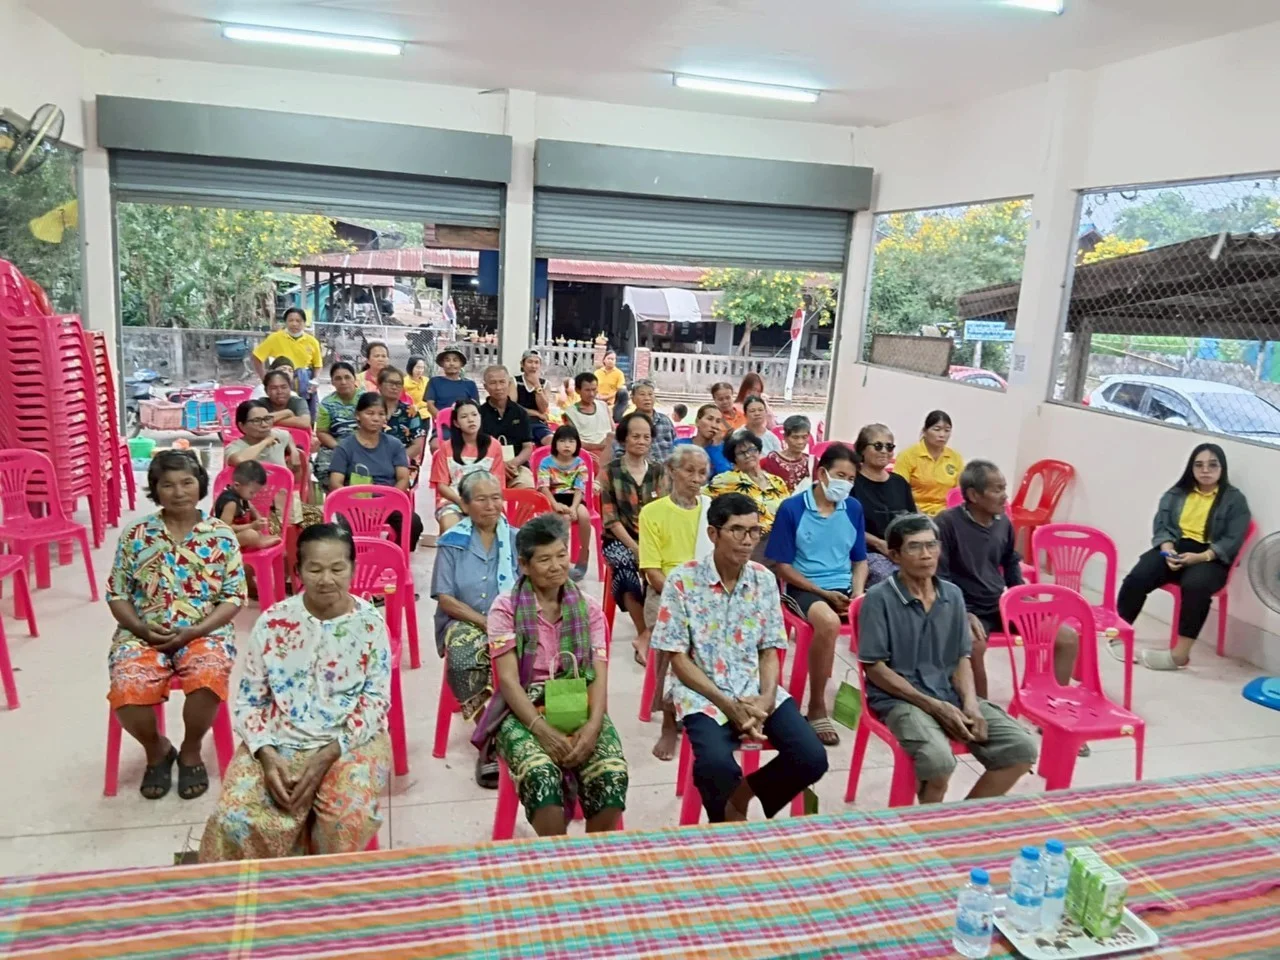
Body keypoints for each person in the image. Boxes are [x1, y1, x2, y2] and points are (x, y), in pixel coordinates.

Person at [199, 523, 392, 859]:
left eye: (337, 568)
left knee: (345, 820)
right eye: (315, 569)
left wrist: (329, 754)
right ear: (298, 571)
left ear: (352, 568)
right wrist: (265, 753)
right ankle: (261, 888)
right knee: (234, 818)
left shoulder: (370, 624)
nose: (326, 579)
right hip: (279, 737)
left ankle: (323, 887)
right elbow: (250, 700)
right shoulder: (273, 622)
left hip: (349, 740)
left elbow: (376, 701)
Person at [651, 492, 829, 823]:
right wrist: (727, 704)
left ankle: (741, 797)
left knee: (812, 757)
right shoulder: (682, 581)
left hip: (753, 687)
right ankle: (726, 829)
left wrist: (765, 699)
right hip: (703, 693)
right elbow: (677, 659)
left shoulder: (763, 579)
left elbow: (769, 649)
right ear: (713, 534)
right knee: (716, 766)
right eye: (737, 530)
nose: (747, 540)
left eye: (754, 531)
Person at [858, 514, 1039, 804]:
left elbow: (960, 658)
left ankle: (960, 819)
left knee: (1022, 748)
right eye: (915, 547)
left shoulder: (952, 595)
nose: (926, 554)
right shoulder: (879, 599)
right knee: (938, 762)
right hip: (900, 699)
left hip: (948, 691)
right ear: (895, 555)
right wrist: (933, 706)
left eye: (932, 545)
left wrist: (971, 704)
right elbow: (875, 669)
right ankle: (930, 823)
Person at [471, 514, 628, 837]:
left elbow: (599, 674)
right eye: (544, 559)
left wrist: (593, 726)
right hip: (523, 708)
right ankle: (557, 858)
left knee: (612, 774)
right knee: (541, 777)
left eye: (561, 555)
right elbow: (509, 681)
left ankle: (594, 855)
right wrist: (541, 730)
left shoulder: (588, 608)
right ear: (524, 565)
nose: (556, 566)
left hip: (579, 698)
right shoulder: (505, 609)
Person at [106, 451, 247, 801]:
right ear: (155, 489)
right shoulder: (137, 534)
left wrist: (196, 631)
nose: (179, 491)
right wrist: (141, 630)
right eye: (167, 485)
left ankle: (191, 748)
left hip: (204, 632)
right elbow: (117, 594)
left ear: (200, 484)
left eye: (187, 482)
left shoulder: (221, 535)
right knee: (127, 688)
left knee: (208, 676)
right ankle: (157, 750)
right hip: (143, 633)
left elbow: (233, 597)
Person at [936, 460, 1079, 709]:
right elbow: (940, 578)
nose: (1005, 496)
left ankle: (1053, 710)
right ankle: (983, 713)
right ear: (973, 495)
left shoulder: (1002, 521)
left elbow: (1010, 561)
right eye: (997, 489)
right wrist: (962, 612)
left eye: (1004, 488)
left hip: (998, 603)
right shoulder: (946, 523)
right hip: (964, 607)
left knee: (1066, 637)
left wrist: (1021, 594)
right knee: (972, 646)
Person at [767, 442, 868, 747]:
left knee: (890, 613)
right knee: (828, 622)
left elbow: (860, 560)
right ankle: (816, 705)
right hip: (804, 586)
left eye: (851, 479)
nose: (845, 484)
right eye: (841, 476)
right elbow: (782, 566)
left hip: (844, 587)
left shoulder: (853, 508)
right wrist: (822, 592)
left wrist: (858, 594)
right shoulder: (793, 508)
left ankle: (882, 699)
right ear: (822, 474)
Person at [1118, 443, 1251, 670]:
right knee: (1139, 576)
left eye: (1212, 465)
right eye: (1199, 465)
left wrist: (1201, 557)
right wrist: (1168, 550)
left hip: (1211, 556)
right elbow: (1162, 526)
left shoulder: (1234, 500)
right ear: (1191, 468)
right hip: (1175, 547)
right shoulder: (1176, 493)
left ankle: (1179, 655)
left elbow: (1233, 539)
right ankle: (1118, 635)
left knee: (1196, 587)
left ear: (1222, 468)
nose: (1205, 470)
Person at [432, 472, 517, 789]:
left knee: (534, 653)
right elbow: (445, 598)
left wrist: (506, 620)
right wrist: (485, 623)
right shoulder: (452, 542)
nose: (491, 505)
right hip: (464, 619)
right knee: (464, 654)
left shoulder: (516, 539)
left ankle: (521, 724)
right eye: (481, 499)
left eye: (496, 498)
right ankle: (489, 738)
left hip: (510, 618)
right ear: (465, 505)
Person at [638, 444, 712, 761]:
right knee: (676, 636)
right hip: (665, 592)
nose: (696, 479)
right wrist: (683, 597)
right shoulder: (652, 512)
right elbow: (652, 572)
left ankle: (709, 704)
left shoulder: (711, 510)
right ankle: (669, 721)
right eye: (689, 471)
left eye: (702, 472)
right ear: (671, 471)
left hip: (706, 592)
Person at [600, 412, 667, 653]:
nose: (641, 441)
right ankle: (643, 635)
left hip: (653, 539)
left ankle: (657, 631)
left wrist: (651, 546)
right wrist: (636, 548)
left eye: (646, 437)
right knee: (625, 570)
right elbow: (611, 520)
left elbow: (665, 512)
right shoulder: (610, 472)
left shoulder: (658, 471)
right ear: (624, 439)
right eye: (635, 436)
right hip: (619, 539)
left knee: (667, 568)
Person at [328, 393, 423, 550]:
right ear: (357, 415)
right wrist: (357, 504)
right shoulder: (345, 447)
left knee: (414, 524)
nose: (376, 419)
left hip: (387, 503)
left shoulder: (395, 445)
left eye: (381, 414)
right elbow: (335, 482)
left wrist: (385, 504)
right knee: (349, 538)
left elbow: (403, 479)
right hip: (354, 505)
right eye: (370, 413)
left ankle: (395, 557)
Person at [852, 423, 917, 586]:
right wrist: (879, 544)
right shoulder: (852, 482)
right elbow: (846, 526)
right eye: (878, 446)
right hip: (866, 552)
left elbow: (912, 521)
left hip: (900, 550)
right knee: (895, 581)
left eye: (889, 447)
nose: (884, 451)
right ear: (862, 450)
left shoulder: (899, 483)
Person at [707, 430, 791, 556]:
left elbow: (788, 512)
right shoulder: (725, 480)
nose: (747, 455)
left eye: (751, 450)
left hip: (780, 540)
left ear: (758, 451)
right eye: (741, 453)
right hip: (750, 541)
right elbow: (700, 496)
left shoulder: (777, 481)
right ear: (734, 459)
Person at [429, 397, 505, 534]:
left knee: (496, 529)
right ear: (456, 423)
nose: (471, 420)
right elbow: (441, 485)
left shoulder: (494, 446)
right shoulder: (446, 448)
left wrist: (483, 503)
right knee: (450, 526)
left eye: (474, 415)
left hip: (486, 501)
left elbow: (498, 483)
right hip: (454, 501)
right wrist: (461, 502)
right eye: (464, 417)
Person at [226, 399, 305, 527]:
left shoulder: (278, 435)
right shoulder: (235, 447)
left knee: (316, 521)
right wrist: (265, 442)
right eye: (256, 421)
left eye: (267, 419)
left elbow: (287, 435)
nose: (264, 425)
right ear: (242, 426)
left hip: (282, 501)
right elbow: (240, 461)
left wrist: (293, 450)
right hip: (254, 507)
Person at [536, 423, 592, 580]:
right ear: (555, 443)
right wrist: (555, 505)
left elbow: (579, 489)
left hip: (574, 498)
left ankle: (584, 553)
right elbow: (543, 487)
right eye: (562, 441)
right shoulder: (546, 462)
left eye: (571, 441)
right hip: (552, 498)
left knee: (584, 515)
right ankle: (562, 558)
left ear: (577, 444)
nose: (567, 445)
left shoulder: (580, 463)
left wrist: (574, 507)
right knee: (564, 519)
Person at [894, 410, 963, 516]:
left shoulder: (955, 457)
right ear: (925, 431)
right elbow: (899, 492)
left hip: (946, 515)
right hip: (915, 513)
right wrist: (920, 516)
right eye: (937, 429)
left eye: (947, 430)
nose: (942, 435)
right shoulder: (908, 455)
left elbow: (960, 493)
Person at [252, 307, 322, 408]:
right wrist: (265, 379)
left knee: (305, 409)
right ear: (285, 322)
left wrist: (315, 380)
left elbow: (317, 365)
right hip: (281, 380)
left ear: (304, 323)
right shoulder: (275, 338)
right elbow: (257, 357)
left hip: (304, 383)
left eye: (298, 321)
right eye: (291, 320)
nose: (294, 324)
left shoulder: (312, 341)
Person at [480, 365, 535, 489]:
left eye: (502, 382)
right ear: (485, 387)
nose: (498, 387)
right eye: (493, 383)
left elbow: (527, 447)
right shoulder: (478, 414)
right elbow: (475, 448)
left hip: (517, 467)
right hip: (486, 467)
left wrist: (512, 464)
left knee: (527, 490)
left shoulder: (520, 413)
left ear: (509, 384)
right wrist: (498, 465)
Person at [214, 460, 281, 551]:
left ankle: (260, 538)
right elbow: (225, 528)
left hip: (236, 535)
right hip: (223, 541)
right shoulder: (231, 503)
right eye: (252, 492)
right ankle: (259, 543)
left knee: (255, 528)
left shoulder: (241, 495)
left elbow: (252, 508)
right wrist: (251, 526)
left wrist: (259, 518)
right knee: (250, 534)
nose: (254, 496)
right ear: (237, 485)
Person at [375, 366, 426, 484]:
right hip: (372, 461)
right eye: (390, 383)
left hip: (402, 462)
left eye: (398, 384)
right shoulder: (370, 410)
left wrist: (395, 461)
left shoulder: (411, 412)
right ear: (380, 385)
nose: (395, 387)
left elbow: (417, 446)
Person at [314, 361, 360, 480]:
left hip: (364, 444)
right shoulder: (327, 403)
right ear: (332, 382)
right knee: (324, 468)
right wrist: (340, 448)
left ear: (354, 379)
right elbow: (322, 432)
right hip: (336, 445)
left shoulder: (366, 398)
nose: (343, 382)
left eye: (347, 377)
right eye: (338, 378)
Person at [563, 371, 615, 458]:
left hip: (610, 447)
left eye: (594, 389)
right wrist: (600, 447)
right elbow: (574, 441)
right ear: (578, 390)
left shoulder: (603, 405)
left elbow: (613, 430)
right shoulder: (570, 413)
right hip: (588, 452)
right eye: (587, 390)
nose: (591, 394)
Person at [675, 403, 732, 476]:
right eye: (709, 419)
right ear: (697, 421)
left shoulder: (723, 449)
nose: (714, 425)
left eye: (718, 421)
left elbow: (726, 474)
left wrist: (715, 447)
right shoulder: (680, 445)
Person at [425, 347, 480, 420]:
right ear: (442, 364)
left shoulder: (470, 384)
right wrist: (444, 420)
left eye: (455, 360)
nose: (451, 363)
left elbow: (475, 407)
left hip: (464, 423)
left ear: (461, 364)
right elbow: (430, 405)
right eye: (447, 360)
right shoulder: (434, 382)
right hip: (442, 423)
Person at [762, 414, 812, 493]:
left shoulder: (811, 462)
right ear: (785, 437)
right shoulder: (773, 459)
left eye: (804, 437)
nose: (800, 442)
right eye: (795, 437)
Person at [513, 349, 553, 444]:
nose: (533, 366)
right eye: (530, 362)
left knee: (551, 440)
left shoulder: (545, 384)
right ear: (522, 364)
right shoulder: (515, 381)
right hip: (518, 421)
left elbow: (543, 408)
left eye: (536, 362)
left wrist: (537, 385)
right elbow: (513, 407)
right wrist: (536, 413)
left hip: (537, 423)